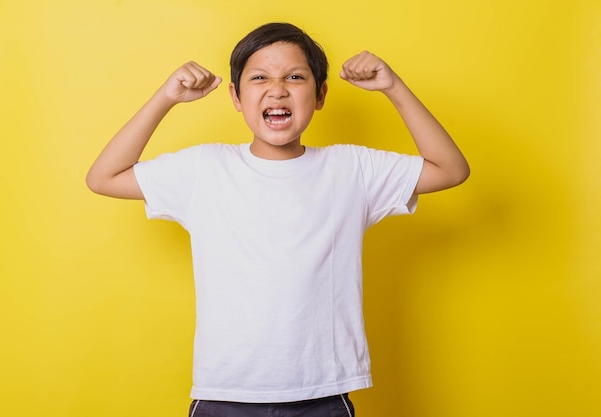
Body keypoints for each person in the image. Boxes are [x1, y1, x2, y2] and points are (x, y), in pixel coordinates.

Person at [86, 22, 469, 417]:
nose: (277, 88)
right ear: (236, 95)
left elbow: (450, 169)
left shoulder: (352, 169)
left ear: (320, 94)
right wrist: (166, 98)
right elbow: (103, 177)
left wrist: (394, 87)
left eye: (295, 77)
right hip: (225, 394)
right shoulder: (204, 169)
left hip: (322, 394)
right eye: (259, 78)